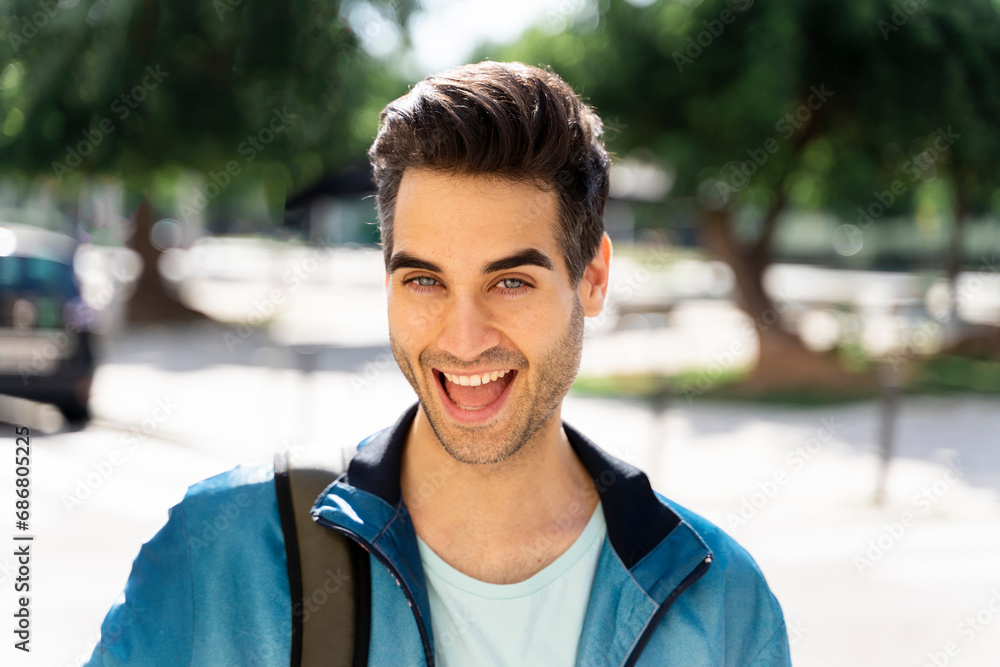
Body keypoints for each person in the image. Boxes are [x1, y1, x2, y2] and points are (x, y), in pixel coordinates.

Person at [86, 61, 791, 666]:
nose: (462, 336)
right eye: (424, 280)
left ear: (593, 277)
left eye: (510, 281)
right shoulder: (221, 556)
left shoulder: (722, 606)